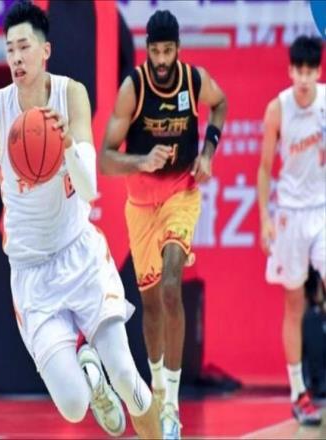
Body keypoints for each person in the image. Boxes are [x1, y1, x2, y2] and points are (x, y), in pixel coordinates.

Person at [0, 1, 161, 438]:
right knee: (72, 405)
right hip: (32, 275)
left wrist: (66, 145)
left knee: (128, 376)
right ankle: (93, 384)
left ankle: (131, 399)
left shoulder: (72, 95)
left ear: (45, 50)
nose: (16, 57)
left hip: (80, 256)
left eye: (24, 47)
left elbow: (89, 187)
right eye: (10, 49)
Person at [100, 10, 227, 439]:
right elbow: (105, 159)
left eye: (167, 51)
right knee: (151, 304)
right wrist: (141, 160)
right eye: (154, 50)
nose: (160, 59)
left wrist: (208, 152)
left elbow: (221, 104)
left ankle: (171, 405)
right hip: (140, 205)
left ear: (177, 49)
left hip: (180, 195)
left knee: (173, 285)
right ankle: (156, 390)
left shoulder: (194, 80)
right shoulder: (133, 88)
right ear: (148, 49)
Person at [257, 35, 324, 426]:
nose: (303, 78)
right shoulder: (277, 108)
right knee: (294, 303)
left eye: (310, 71)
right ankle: (299, 392)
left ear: (318, 71)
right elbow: (265, 167)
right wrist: (265, 219)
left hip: (323, 210)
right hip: (291, 213)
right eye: (298, 70)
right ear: (290, 70)